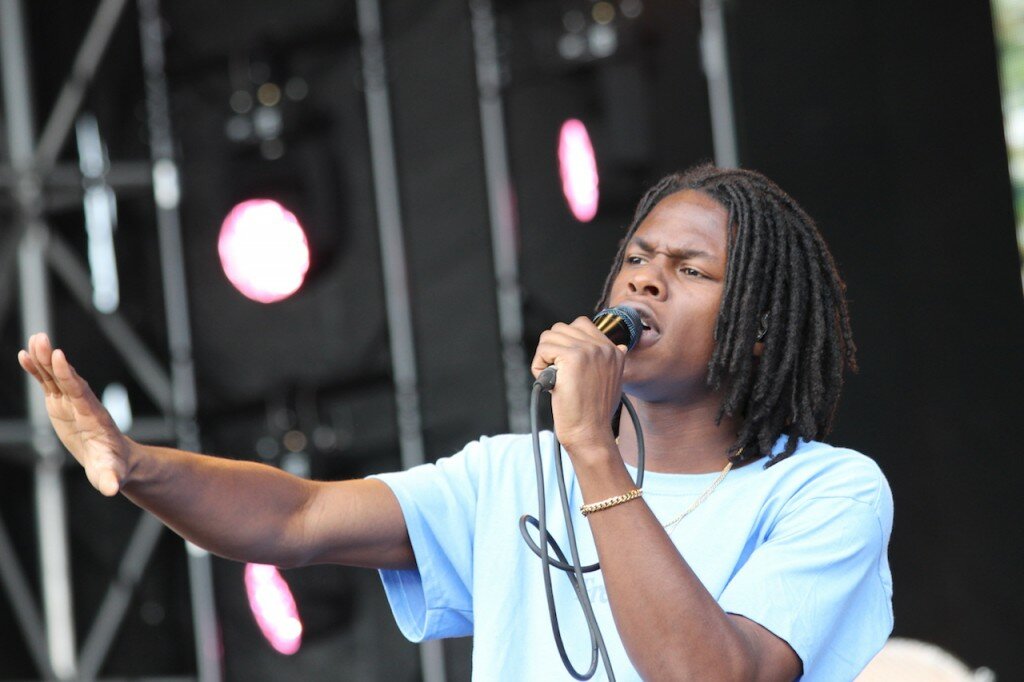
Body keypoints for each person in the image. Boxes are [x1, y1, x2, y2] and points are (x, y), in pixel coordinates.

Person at [19, 163, 893, 681]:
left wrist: (590, 447)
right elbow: (295, 518)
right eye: (635, 258)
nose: (645, 282)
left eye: (689, 270)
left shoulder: (826, 492)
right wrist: (137, 466)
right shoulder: (508, 475)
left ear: (761, 326)